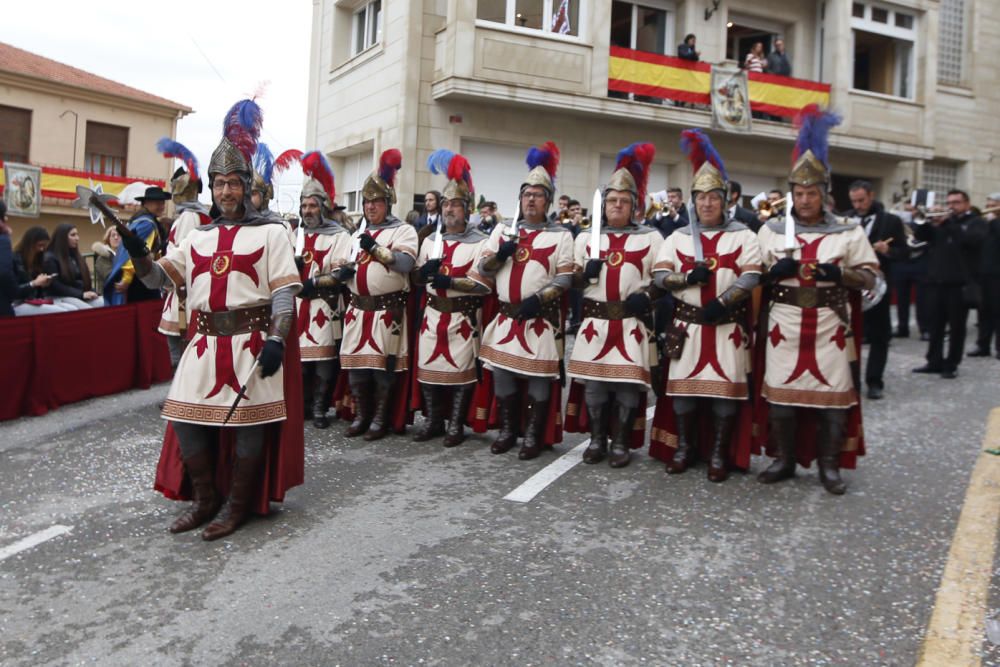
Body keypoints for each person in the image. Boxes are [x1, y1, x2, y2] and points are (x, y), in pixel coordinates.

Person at [128, 98, 304, 540]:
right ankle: (205, 500)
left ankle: (237, 506)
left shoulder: (272, 232)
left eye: (233, 183)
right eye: (219, 184)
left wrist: (278, 341)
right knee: (185, 420)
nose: (226, 192)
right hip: (204, 344)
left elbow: (284, 292)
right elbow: (157, 280)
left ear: (247, 186)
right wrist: (137, 254)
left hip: (251, 341)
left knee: (248, 429)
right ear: (211, 188)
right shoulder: (197, 237)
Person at [754, 105, 880, 495]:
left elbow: (872, 279)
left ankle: (829, 466)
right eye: (799, 192)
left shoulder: (847, 232)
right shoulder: (771, 231)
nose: (805, 199)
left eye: (811, 193)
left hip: (829, 326)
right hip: (784, 324)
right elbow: (751, 275)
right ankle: (784, 459)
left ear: (824, 195)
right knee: (781, 399)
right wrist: (768, 275)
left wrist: (839, 273)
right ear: (791, 195)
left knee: (832, 401)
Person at [648, 131, 761, 481]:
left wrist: (724, 302)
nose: (707, 204)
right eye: (701, 198)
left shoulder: (744, 235)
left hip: (726, 327)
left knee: (723, 396)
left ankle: (717, 454)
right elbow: (659, 275)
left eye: (714, 197)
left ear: (725, 201)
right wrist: (685, 280)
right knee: (684, 394)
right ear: (694, 202)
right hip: (688, 327)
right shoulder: (679, 236)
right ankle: (683, 447)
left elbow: (752, 275)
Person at [470, 141, 573, 460]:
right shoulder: (503, 232)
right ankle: (507, 430)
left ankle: (533, 434)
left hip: (539, 319)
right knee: (503, 378)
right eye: (527, 194)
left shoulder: (561, 235)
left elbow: (565, 277)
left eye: (538, 195)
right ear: (520, 199)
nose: (531, 199)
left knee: (539, 380)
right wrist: (500, 255)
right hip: (505, 318)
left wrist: (541, 299)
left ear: (547, 201)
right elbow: (481, 268)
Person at [566, 142, 661, 468]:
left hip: (631, 323)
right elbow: (573, 282)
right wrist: (583, 276)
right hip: (595, 322)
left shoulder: (651, 238)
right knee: (594, 384)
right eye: (611, 201)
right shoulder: (585, 238)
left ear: (634, 206)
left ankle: (620, 442)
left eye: (623, 201)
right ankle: (596, 440)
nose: (616, 206)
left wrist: (647, 297)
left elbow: (663, 281)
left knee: (625, 385)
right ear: (603, 206)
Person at [410, 149, 491, 446]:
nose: (449, 209)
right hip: (432, 315)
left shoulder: (481, 242)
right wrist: (424, 273)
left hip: (463, 318)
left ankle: (456, 424)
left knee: (461, 374)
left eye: (456, 204)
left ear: (467, 209)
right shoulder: (431, 239)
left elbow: (483, 285)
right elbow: (416, 278)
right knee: (429, 370)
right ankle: (433, 421)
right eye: (446, 204)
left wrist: (450, 281)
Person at [339, 149, 418, 440]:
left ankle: (380, 420)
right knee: (357, 368)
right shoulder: (355, 234)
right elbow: (345, 264)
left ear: (388, 203)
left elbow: (406, 263)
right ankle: (362, 415)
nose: (371, 207)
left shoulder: (404, 231)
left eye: (376, 201)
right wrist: (340, 274)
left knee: (383, 371)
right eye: (367, 201)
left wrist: (374, 249)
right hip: (357, 309)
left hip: (387, 312)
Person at [293, 151, 352, 429]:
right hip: (298, 305)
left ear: (324, 207)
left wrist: (313, 283)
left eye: (313, 206)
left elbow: (341, 273)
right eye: (304, 206)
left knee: (325, 360)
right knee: (301, 360)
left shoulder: (340, 236)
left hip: (325, 305)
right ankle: (302, 405)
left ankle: (319, 408)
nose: (307, 211)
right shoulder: (296, 235)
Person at [912, 189, 987, 376]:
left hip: (959, 283)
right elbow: (921, 236)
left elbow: (970, 242)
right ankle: (933, 361)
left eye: (956, 202)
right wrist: (923, 220)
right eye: (950, 203)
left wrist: (947, 223)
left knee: (956, 327)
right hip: (937, 281)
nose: (952, 206)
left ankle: (951, 364)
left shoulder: (976, 222)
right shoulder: (942, 224)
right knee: (936, 325)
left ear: (967, 204)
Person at [154, 140, 212, 369]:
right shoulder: (199, 216)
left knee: (179, 351)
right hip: (183, 290)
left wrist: (171, 281)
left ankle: (179, 396)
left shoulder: (189, 217)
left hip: (183, 292)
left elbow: (185, 257)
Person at [846, 180, 907, 398]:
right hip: (849, 285)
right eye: (854, 201)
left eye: (861, 200)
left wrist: (888, 250)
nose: (858, 205)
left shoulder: (891, 221)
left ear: (871, 196)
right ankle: (848, 380)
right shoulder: (843, 219)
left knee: (880, 336)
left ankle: (874, 381)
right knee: (846, 335)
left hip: (878, 286)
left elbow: (904, 252)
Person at [106, 186, 169, 305]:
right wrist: (127, 278)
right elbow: (137, 253)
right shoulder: (147, 224)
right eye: (157, 202)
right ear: (146, 203)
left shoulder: (137, 220)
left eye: (162, 202)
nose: (161, 206)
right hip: (141, 280)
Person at [43, 223, 104, 308]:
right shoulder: (50, 258)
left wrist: (94, 292)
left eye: (77, 234)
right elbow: (56, 286)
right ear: (62, 237)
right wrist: (81, 294)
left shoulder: (75, 256)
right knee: (87, 310)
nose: (77, 238)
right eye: (73, 235)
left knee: (105, 302)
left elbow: (81, 281)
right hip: (59, 296)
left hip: (78, 295)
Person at [12, 226, 63, 315]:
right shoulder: (14, 259)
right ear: (30, 244)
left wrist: (42, 284)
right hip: (17, 303)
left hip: (33, 300)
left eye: (44, 246)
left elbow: (37, 290)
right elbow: (14, 290)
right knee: (61, 312)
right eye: (40, 245)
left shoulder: (37, 259)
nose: (42, 249)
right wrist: (34, 283)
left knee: (69, 309)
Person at [977, 192, 1000, 359]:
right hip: (983, 272)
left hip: (998, 273)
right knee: (983, 311)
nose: (989, 209)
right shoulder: (986, 223)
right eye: (989, 205)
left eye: (993, 205)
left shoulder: (994, 223)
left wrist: (994, 222)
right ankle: (982, 345)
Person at [91, 226, 121, 292]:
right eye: (113, 235)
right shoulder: (102, 257)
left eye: (119, 235)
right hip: (108, 294)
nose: (116, 237)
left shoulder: (126, 254)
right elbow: (110, 277)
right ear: (108, 239)